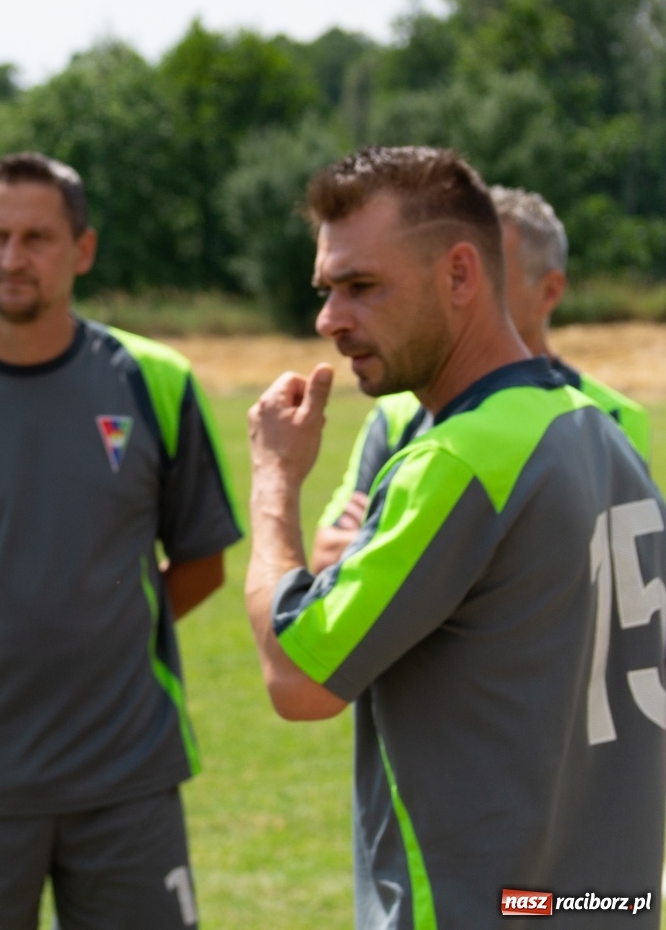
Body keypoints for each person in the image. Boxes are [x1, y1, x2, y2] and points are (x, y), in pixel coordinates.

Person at [246, 146, 665, 929]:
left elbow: (296, 680)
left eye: (362, 286)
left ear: (461, 275)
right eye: (326, 289)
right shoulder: (596, 429)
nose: (329, 319)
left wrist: (275, 483)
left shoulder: (461, 458)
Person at [0, 153, 240, 930]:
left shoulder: (154, 382)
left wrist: (104, 629)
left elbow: (202, 562)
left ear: (82, 250)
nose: (12, 256)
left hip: (126, 777)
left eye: (36, 237)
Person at [311, 184, 650, 571]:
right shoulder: (398, 414)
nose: (469, 291)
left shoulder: (613, 418)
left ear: (550, 291)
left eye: (494, 274)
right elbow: (327, 555)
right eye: (456, 274)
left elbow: (604, 572)